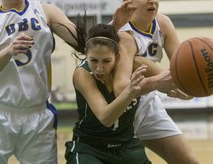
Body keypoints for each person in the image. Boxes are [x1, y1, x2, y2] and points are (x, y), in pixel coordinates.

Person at [0, 0, 137, 163]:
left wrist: (115, 24)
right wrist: (9, 51)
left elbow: (86, 45)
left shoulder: (45, 11)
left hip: (38, 115)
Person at [105, 0, 199, 164]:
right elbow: (121, 87)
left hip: (147, 104)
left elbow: (181, 65)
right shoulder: (120, 32)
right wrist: (160, 81)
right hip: (116, 108)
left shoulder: (163, 24)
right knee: (141, 62)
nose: (153, 0)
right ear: (127, 1)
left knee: (188, 161)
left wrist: (192, 81)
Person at [64, 15, 185, 163]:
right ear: (87, 56)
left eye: (106, 61)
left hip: (127, 147)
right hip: (90, 148)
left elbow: (177, 83)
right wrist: (131, 91)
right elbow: (106, 118)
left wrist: (188, 89)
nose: (99, 68)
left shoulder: (137, 64)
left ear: (117, 56)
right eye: (93, 60)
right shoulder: (82, 74)